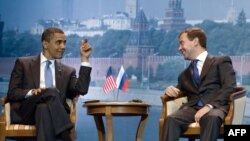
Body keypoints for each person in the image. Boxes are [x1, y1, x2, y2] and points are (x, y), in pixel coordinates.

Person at [7, 27, 92, 141]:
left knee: (43, 108)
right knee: (50, 91)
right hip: (26, 113)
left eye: (64, 43)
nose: (63, 47)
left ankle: (63, 132)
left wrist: (85, 59)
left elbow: (81, 89)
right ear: (45, 44)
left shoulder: (68, 71)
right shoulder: (23, 63)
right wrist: (32, 92)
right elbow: (12, 93)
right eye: (58, 42)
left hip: (51, 114)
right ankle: (66, 132)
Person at [162, 27, 236, 141]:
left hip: (215, 107)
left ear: (195, 42)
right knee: (171, 119)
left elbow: (229, 87)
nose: (179, 48)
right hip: (192, 109)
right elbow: (179, 91)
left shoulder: (221, 61)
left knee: (211, 117)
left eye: (182, 43)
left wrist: (209, 106)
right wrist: (170, 90)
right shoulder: (184, 75)